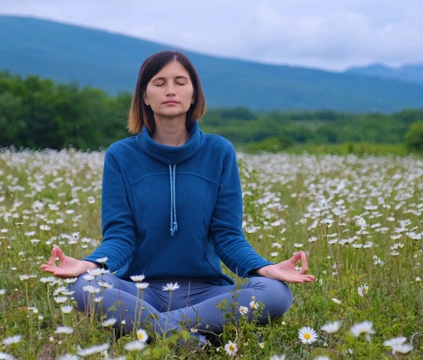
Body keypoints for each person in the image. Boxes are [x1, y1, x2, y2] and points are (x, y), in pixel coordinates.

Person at [41, 50, 315, 346]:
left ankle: (155, 331)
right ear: (144, 96)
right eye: (159, 83)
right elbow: (120, 236)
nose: (170, 90)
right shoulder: (121, 156)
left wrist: (264, 268)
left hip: (206, 292)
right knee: (84, 287)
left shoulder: (219, 152)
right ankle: (191, 336)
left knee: (275, 293)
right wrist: (89, 264)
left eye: (180, 82)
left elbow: (228, 236)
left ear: (194, 94)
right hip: (138, 290)